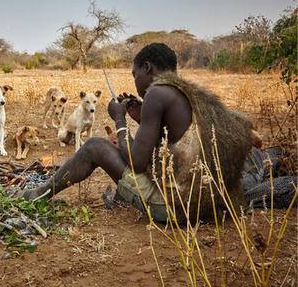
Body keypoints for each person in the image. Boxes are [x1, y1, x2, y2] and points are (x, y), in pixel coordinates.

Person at [18, 43, 253, 223]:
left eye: (134, 74)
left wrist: (120, 119)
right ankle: (119, 195)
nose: (135, 80)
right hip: (207, 204)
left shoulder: (157, 93)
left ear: (147, 67)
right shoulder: (186, 94)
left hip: (175, 208)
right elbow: (175, 142)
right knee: (116, 146)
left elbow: (138, 162)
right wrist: (140, 115)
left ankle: (39, 193)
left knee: (95, 146)